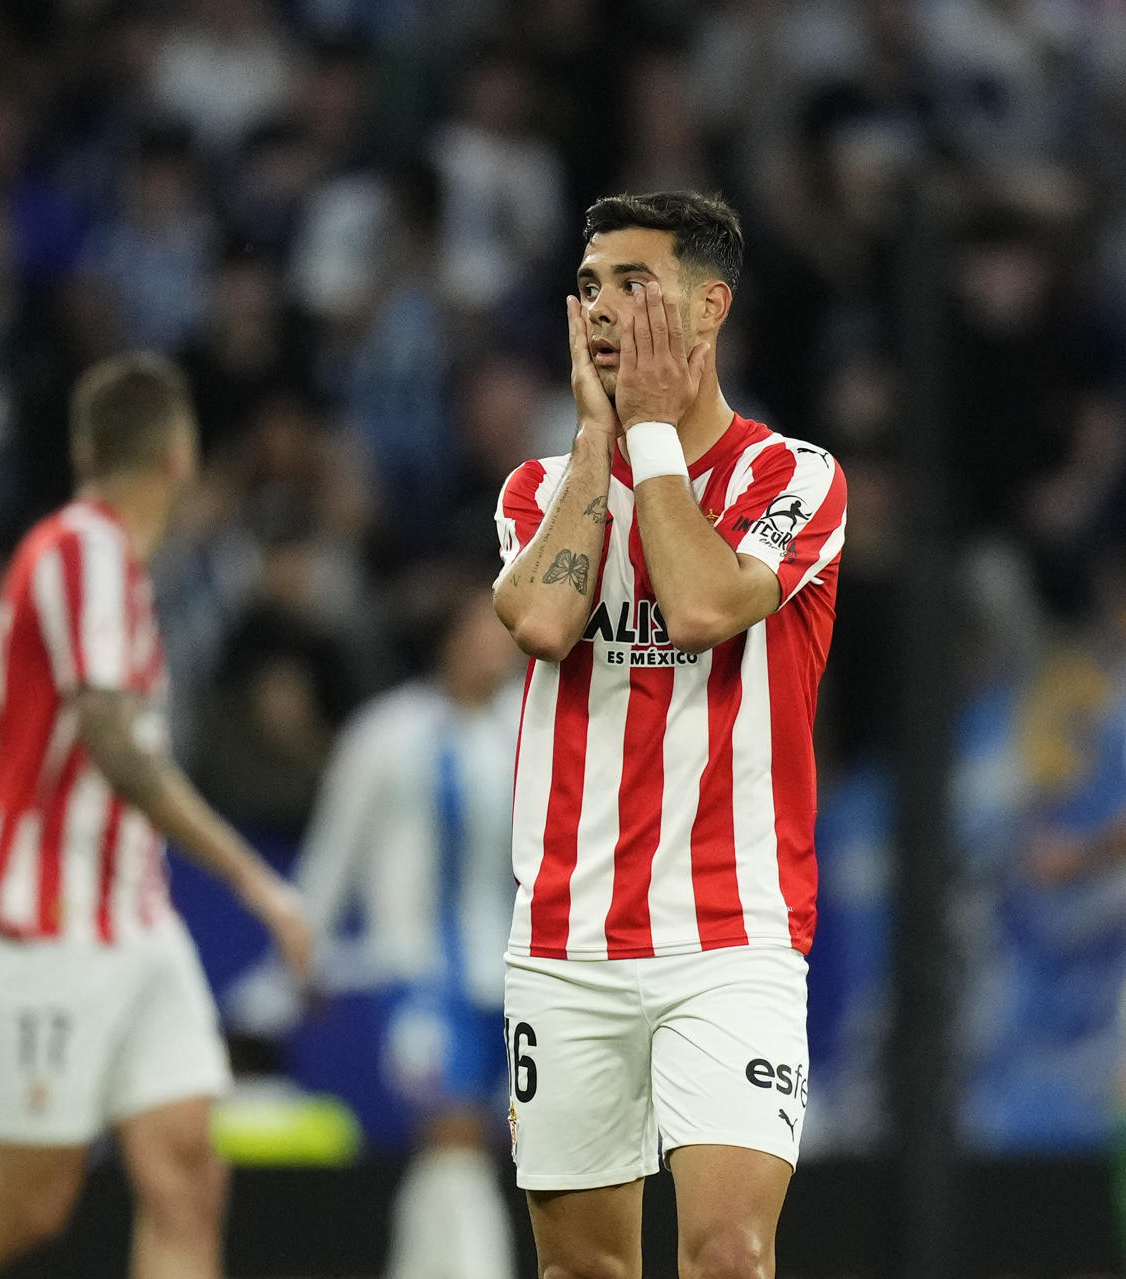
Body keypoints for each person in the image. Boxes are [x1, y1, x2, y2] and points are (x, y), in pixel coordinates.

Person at [0, 354, 315, 1279]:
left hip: (137, 923)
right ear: (180, 453)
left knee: (187, 1176)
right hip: (49, 929)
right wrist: (252, 880)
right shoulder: (85, 553)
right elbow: (114, 745)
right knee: (30, 1205)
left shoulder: (69, 565)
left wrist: (33, 816)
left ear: (83, 449)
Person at [491, 191, 848, 1279]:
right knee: (584, 1270)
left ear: (710, 309)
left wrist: (649, 432)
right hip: (566, 936)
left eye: (635, 286)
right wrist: (603, 438)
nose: (603, 310)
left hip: (732, 936)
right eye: (590, 286)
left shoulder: (793, 477)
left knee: (730, 1253)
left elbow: (697, 606)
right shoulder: (541, 488)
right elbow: (546, 622)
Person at [288, 584, 522, 1279]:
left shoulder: (524, 732)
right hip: (411, 969)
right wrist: (304, 948)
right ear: (450, 640)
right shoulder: (384, 734)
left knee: (465, 1140)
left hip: (498, 973)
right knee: (450, 1128)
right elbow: (334, 853)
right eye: (488, 628)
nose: (505, 642)